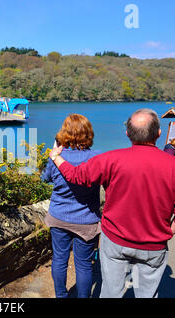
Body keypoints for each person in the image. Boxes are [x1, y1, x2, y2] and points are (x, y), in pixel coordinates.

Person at [49, 108, 175, 298]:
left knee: (111, 292)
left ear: (127, 133)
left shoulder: (110, 160)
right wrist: (170, 230)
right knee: (147, 294)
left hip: (115, 241)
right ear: (159, 134)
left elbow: (77, 176)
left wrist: (56, 157)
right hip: (154, 245)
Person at [41, 114, 101, 298]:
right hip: (86, 220)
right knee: (83, 264)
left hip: (59, 216)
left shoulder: (56, 157)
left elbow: (45, 178)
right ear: (88, 133)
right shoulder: (97, 157)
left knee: (59, 259)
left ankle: (61, 295)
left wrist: (54, 152)